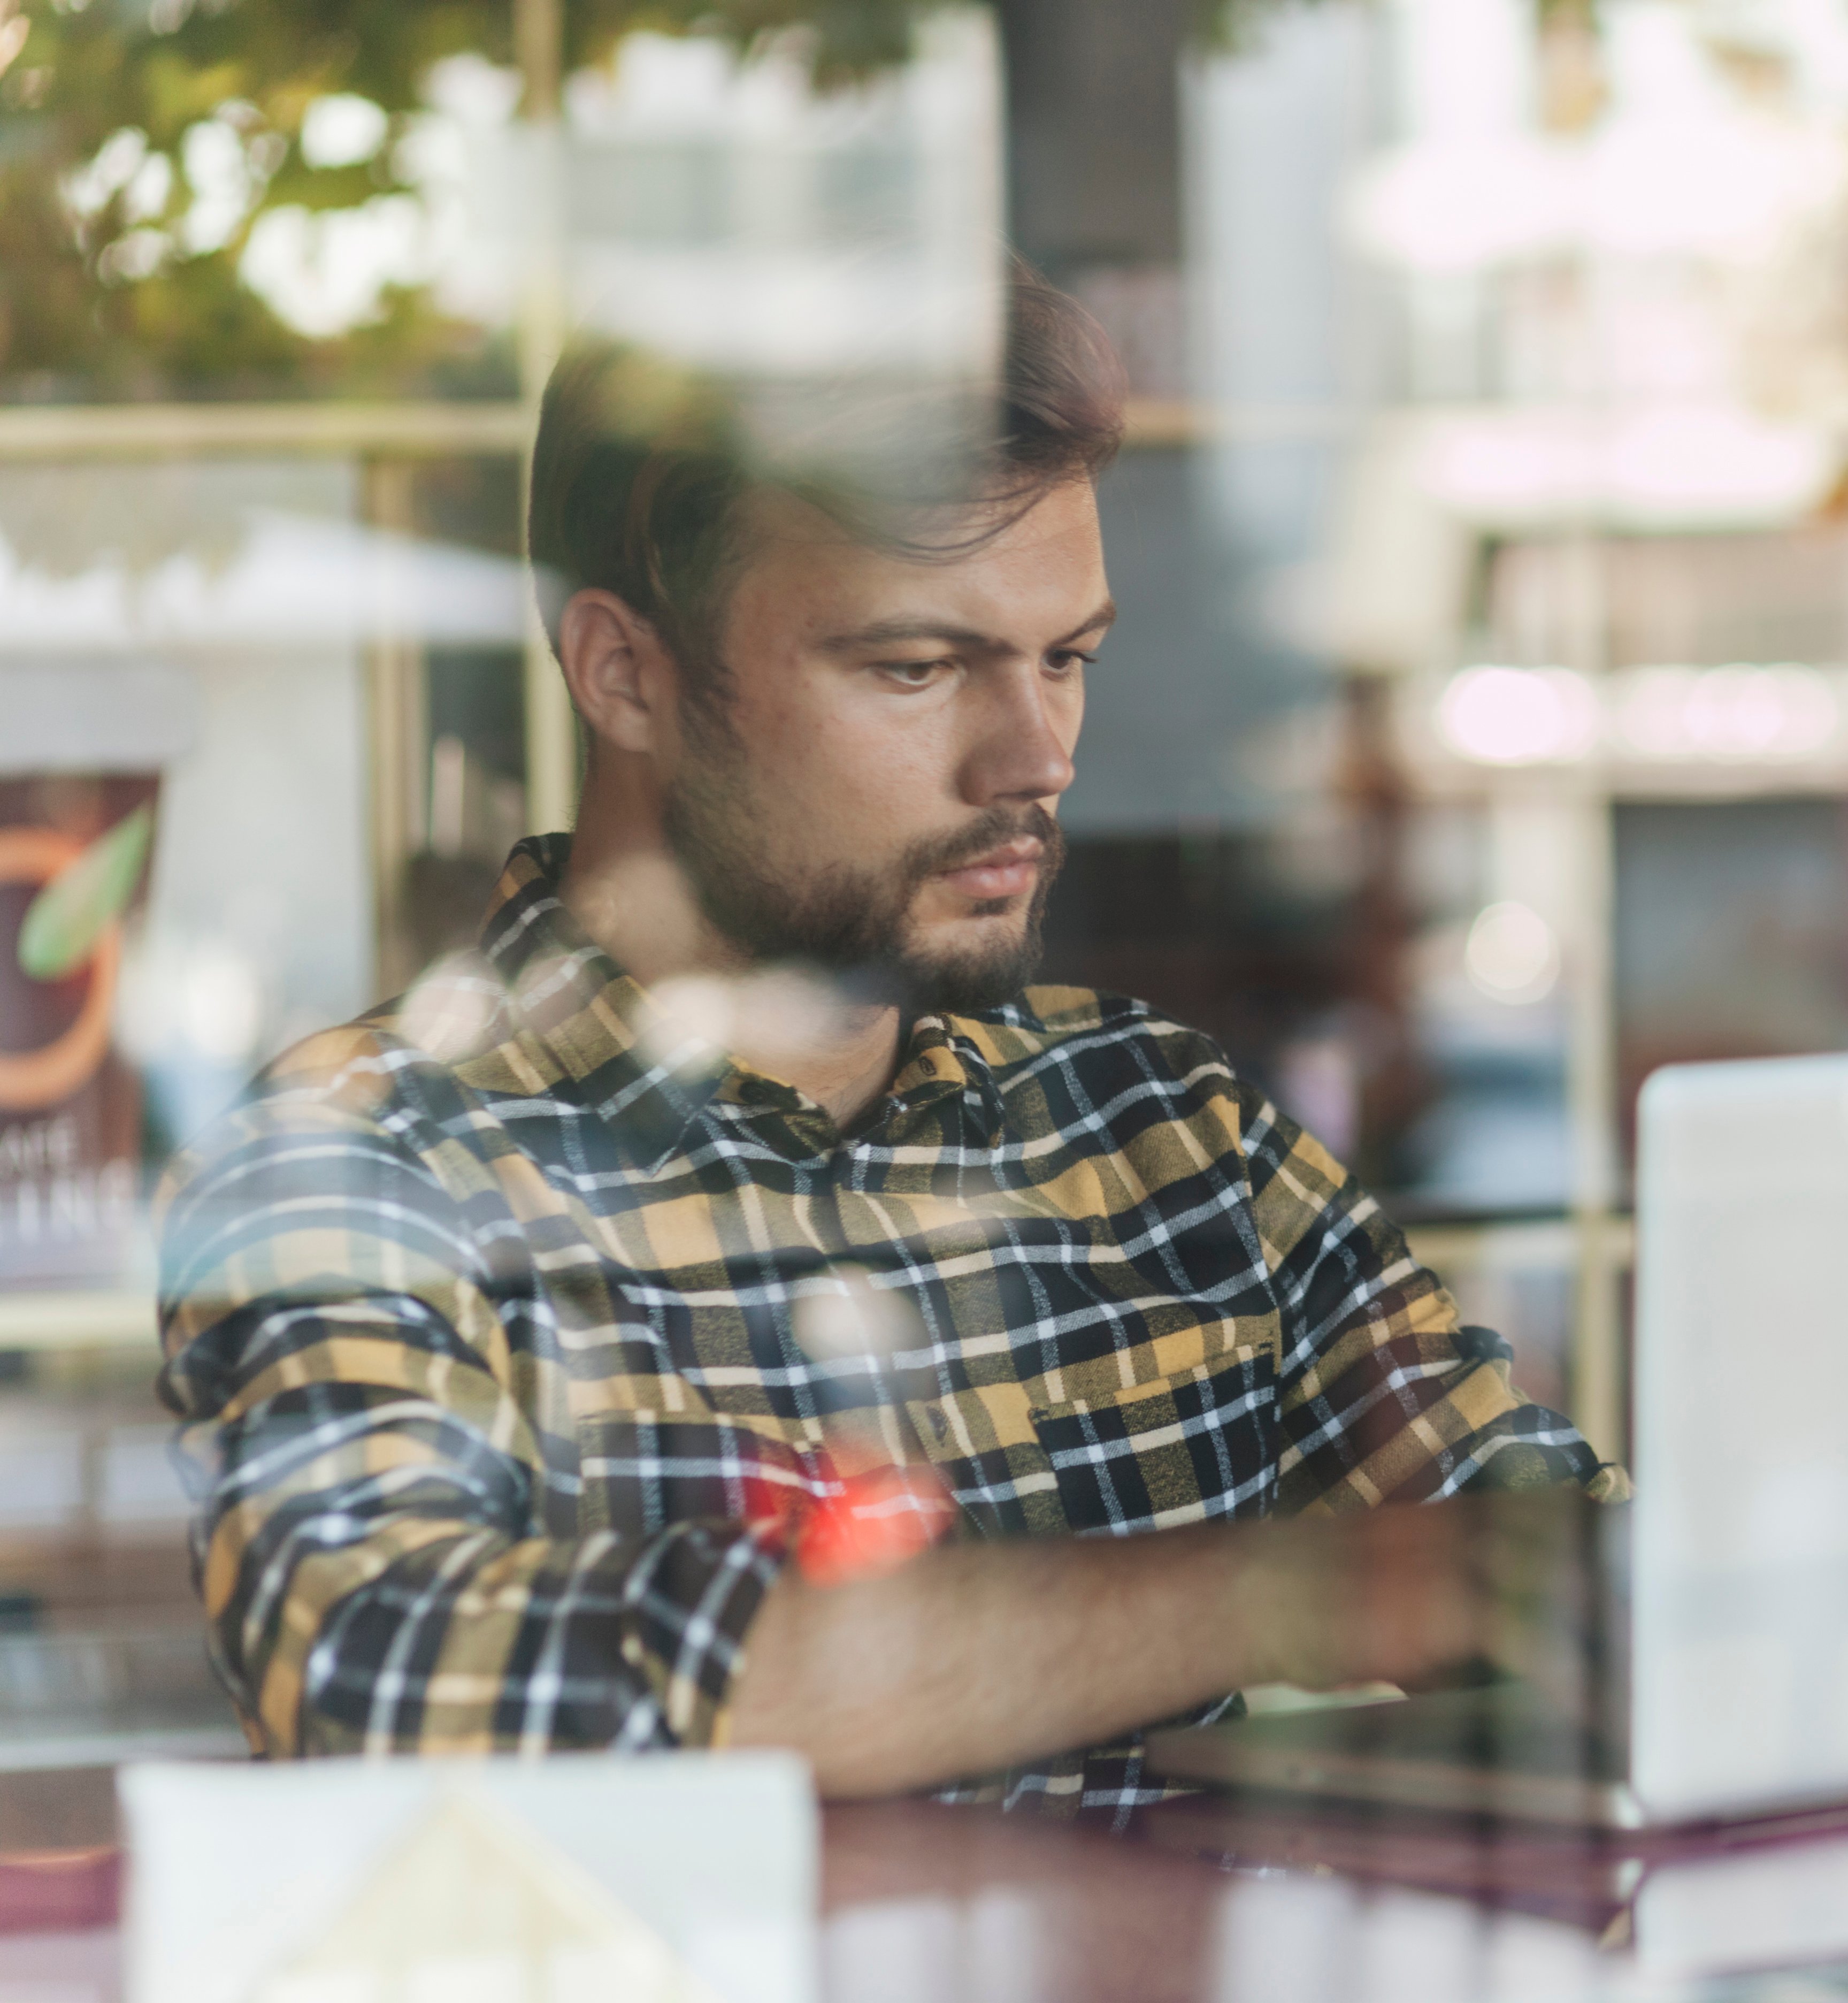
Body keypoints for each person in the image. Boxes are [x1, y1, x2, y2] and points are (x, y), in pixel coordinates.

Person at [154, 269, 1624, 1814]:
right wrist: (1294, 1595)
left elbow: (1558, 1568)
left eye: (1068, 658)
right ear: (626, 673)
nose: (1038, 757)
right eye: (917, 668)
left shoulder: (1167, 1136)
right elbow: (397, 1687)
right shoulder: (361, 1165)